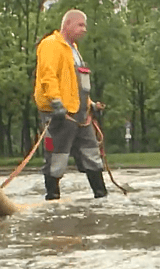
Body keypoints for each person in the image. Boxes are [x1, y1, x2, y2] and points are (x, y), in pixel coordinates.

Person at [34, 9, 108, 200]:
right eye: (80, 25)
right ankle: (52, 198)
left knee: (93, 155)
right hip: (59, 115)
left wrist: (91, 104)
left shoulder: (73, 49)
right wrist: (56, 103)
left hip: (81, 115)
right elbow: (47, 75)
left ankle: (101, 197)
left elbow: (77, 84)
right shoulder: (50, 45)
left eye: (85, 26)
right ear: (67, 25)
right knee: (56, 158)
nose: (84, 29)